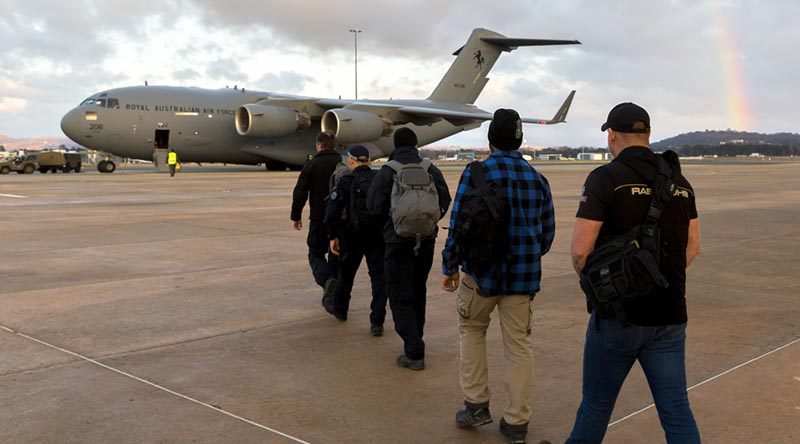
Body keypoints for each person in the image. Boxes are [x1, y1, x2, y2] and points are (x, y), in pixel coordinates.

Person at [566, 103, 702, 443]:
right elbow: (693, 246)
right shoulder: (680, 183)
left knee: (596, 407)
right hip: (670, 315)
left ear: (612, 135)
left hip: (618, 316)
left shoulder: (605, 178)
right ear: (648, 135)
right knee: (676, 408)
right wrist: (657, 278)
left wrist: (606, 290)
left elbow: (581, 250)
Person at [441, 109, 555, 444]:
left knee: (472, 331)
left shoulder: (478, 173)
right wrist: (526, 256)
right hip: (522, 279)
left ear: (490, 139)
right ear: (520, 140)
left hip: (481, 274)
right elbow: (546, 234)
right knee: (519, 346)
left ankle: (476, 405)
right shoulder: (537, 178)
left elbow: (458, 224)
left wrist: (450, 266)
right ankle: (517, 422)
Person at [367, 127, 451, 370]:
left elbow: (374, 207)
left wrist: (393, 224)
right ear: (416, 145)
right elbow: (444, 201)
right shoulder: (430, 169)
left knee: (399, 294)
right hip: (424, 241)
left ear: (395, 145)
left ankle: (414, 350)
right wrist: (428, 222)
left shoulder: (387, 171)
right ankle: (416, 339)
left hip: (396, 242)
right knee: (417, 292)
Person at [322, 145, 387, 336]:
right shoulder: (378, 178)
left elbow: (332, 212)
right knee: (379, 280)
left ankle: (340, 309)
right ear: (368, 160)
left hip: (353, 236)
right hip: (377, 236)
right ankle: (377, 321)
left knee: (346, 275)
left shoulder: (346, 180)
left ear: (351, 161)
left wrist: (333, 236)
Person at [291, 131, 342, 301]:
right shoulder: (343, 163)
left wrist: (296, 216)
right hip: (342, 219)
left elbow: (300, 192)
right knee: (336, 253)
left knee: (315, 253)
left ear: (319, 145)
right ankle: (337, 291)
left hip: (319, 218)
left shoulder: (312, 164)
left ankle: (327, 281)